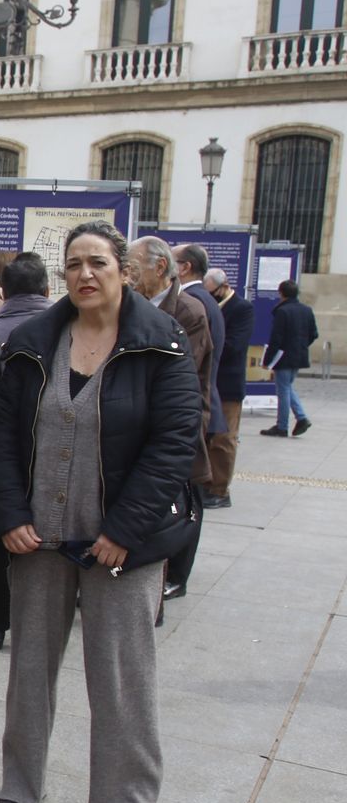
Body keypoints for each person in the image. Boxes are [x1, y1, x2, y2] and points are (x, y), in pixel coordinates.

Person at [0, 220, 201, 803]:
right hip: (39, 540)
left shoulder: (162, 341)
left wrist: (125, 529)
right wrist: (9, 515)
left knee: (121, 677)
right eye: (74, 264)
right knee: (29, 669)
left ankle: (123, 802)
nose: (85, 274)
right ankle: (21, 783)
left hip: (121, 545)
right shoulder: (31, 342)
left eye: (98, 263)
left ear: (123, 272)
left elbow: (174, 443)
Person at [128, 237, 213, 615]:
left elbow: (181, 380)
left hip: (170, 428)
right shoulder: (134, 305)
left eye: (133, 267)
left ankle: (157, 597)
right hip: (133, 427)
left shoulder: (188, 312)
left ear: (159, 268)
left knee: (167, 510)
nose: (128, 276)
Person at [0, 252, 52, 650]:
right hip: (51, 456)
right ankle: (39, 628)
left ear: (3, 291)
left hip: (0, 456)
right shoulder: (67, 335)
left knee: (0, 543)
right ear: (48, 289)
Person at [163, 244, 225, 602]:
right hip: (195, 412)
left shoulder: (192, 306)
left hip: (190, 417)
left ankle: (177, 575)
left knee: (186, 500)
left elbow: (189, 369)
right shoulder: (202, 301)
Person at [203, 268, 254, 507]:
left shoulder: (241, 308)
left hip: (227, 383)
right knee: (206, 437)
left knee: (224, 439)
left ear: (223, 287)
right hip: (208, 381)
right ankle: (206, 484)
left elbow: (234, 345)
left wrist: (206, 344)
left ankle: (220, 490)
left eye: (212, 291)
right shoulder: (207, 303)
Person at [260, 279, 319, 438]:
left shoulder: (283, 311)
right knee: (287, 387)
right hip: (299, 354)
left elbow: (276, 338)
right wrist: (301, 345)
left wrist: (267, 360)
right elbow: (314, 334)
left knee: (283, 390)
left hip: (283, 356)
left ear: (281, 293)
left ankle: (282, 426)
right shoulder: (306, 310)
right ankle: (301, 418)